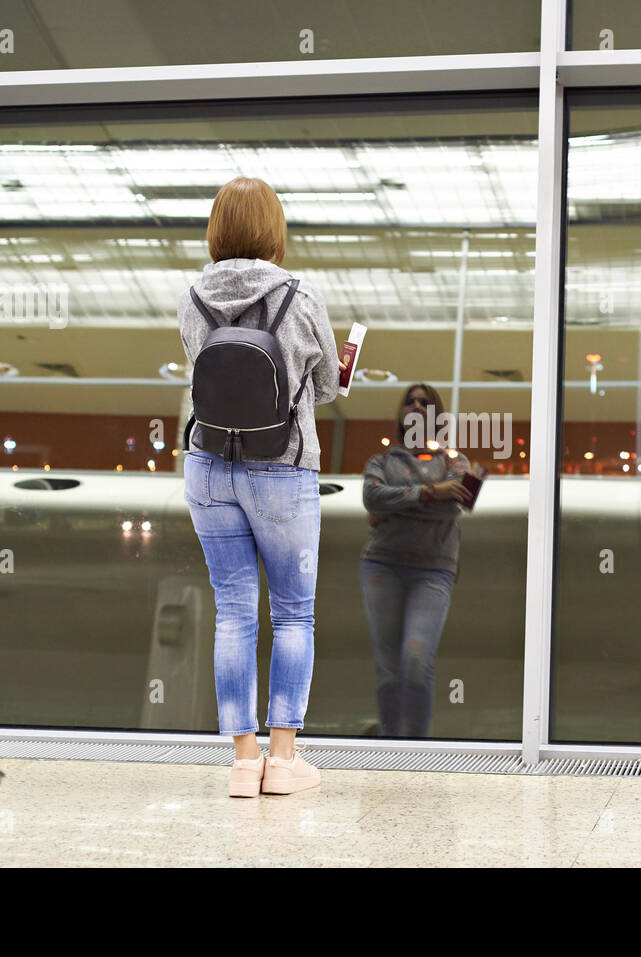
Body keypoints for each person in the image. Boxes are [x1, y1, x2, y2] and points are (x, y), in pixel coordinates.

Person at [178, 176, 343, 797]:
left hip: (209, 467)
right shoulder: (299, 297)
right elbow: (323, 387)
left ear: (217, 229)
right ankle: (284, 757)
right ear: (274, 230)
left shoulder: (190, 297)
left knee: (234, 611)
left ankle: (244, 763)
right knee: (294, 612)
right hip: (283, 469)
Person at [360, 383, 474, 737]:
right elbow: (371, 496)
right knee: (390, 669)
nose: (416, 407)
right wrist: (429, 492)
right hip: (383, 566)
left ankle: (418, 747)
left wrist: (394, 507)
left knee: (415, 661)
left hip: (433, 571)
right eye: (410, 402)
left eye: (425, 403)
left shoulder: (456, 462)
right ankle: (392, 743)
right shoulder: (381, 461)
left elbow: (457, 503)